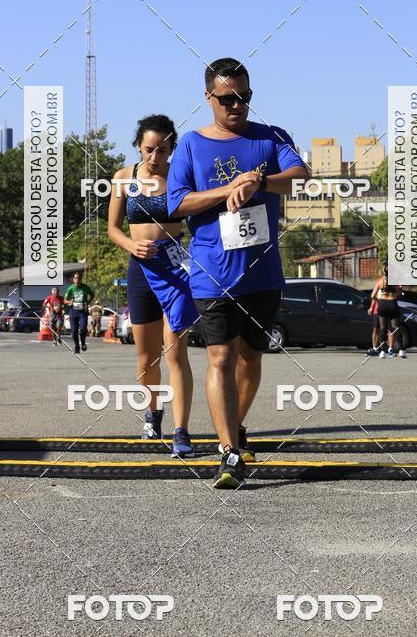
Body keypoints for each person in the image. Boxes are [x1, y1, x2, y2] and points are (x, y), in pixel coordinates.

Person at [167, 58, 307, 488]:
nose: (237, 105)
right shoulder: (191, 144)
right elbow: (175, 204)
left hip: (262, 274)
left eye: (245, 97)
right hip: (211, 272)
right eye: (228, 98)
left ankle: (236, 425)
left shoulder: (271, 137)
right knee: (221, 358)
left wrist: (259, 182)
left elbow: (300, 176)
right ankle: (228, 452)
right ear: (208, 97)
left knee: (250, 358)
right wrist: (228, 188)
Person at [108, 114, 197, 458]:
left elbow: (202, 215)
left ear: (172, 148)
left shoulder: (181, 176)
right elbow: (113, 229)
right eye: (148, 149)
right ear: (138, 147)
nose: (154, 157)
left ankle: (181, 430)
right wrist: (131, 246)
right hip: (140, 268)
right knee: (146, 357)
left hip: (175, 267)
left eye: (162, 150)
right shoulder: (123, 178)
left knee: (176, 352)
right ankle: (152, 412)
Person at [371, 265, 405, 359]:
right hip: (393, 303)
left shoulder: (380, 281)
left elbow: (372, 295)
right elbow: (398, 293)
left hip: (382, 303)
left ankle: (382, 351)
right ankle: (401, 350)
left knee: (383, 328)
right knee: (396, 327)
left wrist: (378, 300)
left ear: (384, 271)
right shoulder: (396, 281)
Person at [64, 272, 94, 354]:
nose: (77, 280)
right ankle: (77, 346)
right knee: (74, 331)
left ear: (81, 279)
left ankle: (83, 343)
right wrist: (70, 301)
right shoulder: (70, 288)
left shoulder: (85, 287)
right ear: (73, 279)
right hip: (73, 311)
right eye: (75, 278)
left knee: (83, 329)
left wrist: (87, 302)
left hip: (82, 312)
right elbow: (65, 300)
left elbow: (92, 294)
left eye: (79, 278)